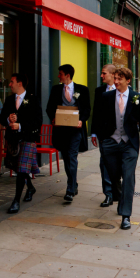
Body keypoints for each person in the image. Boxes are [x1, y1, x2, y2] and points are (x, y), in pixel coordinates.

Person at [91, 68, 140, 230]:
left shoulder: (138, 98)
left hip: (129, 144)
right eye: (115, 78)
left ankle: (125, 215)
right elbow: (99, 117)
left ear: (128, 81)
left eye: (119, 79)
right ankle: (118, 196)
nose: (116, 82)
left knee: (128, 177)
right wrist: (100, 137)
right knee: (114, 175)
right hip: (110, 142)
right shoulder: (106, 96)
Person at [46, 64, 91, 203]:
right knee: (66, 158)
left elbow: (87, 109)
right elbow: (49, 108)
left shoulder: (82, 89)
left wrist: (82, 121)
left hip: (75, 130)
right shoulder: (56, 89)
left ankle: (69, 190)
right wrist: (53, 119)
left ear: (67, 75)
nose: (58, 76)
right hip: (61, 130)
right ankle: (74, 183)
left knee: (72, 157)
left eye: (60, 74)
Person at [0, 73, 43, 214]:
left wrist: (21, 125)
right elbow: (1, 119)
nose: (10, 84)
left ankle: (16, 201)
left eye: (12, 82)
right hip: (13, 140)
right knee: (19, 168)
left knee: (23, 169)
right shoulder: (10, 99)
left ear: (20, 83)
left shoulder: (33, 99)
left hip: (28, 138)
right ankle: (30, 187)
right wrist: (8, 119)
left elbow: (38, 120)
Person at [92, 64, 116, 207]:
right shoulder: (99, 91)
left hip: (119, 135)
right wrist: (94, 132)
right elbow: (96, 112)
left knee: (118, 164)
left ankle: (117, 191)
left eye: (104, 73)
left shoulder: (122, 90)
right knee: (104, 163)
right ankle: (108, 194)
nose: (101, 76)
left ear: (112, 75)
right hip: (103, 135)